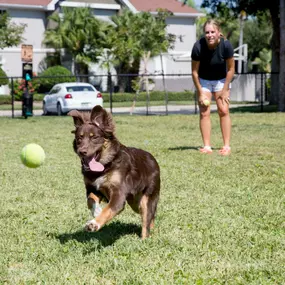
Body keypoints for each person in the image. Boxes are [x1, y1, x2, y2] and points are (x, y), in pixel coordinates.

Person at [191, 19, 235, 156]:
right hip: (204, 80)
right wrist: (200, 92)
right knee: (204, 111)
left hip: (222, 80)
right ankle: (207, 146)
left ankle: (226, 146)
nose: (210, 35)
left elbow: (231, 69)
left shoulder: (226, 46)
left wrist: (225, 89)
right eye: (207, 32)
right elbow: (194, 72)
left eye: (212, 32)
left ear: (218, 32)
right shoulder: (198, 46)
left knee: (223, 110)